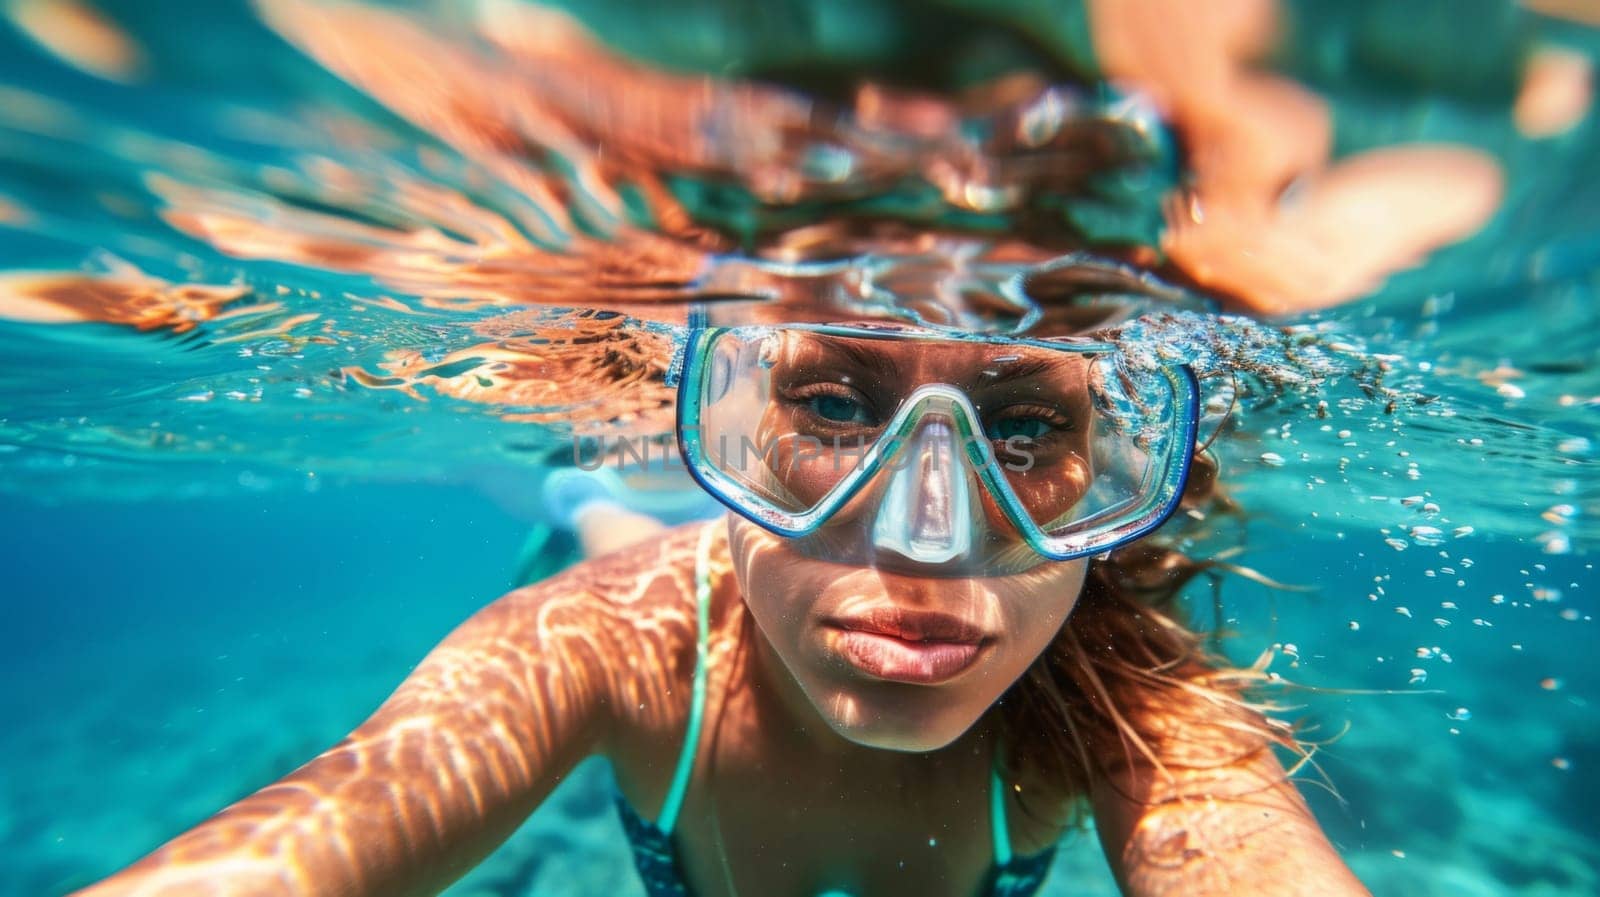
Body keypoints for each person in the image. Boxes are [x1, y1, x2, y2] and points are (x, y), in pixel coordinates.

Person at [76, 306, 1371, 897]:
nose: (927, 546)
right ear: (727, 424)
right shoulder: (606, 642)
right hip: (649, 571)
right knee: (608, 529)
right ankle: (589, 488)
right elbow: (328, 827)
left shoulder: (1121, 696)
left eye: (1027, 426)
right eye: (828, 402)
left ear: (1125, 472)